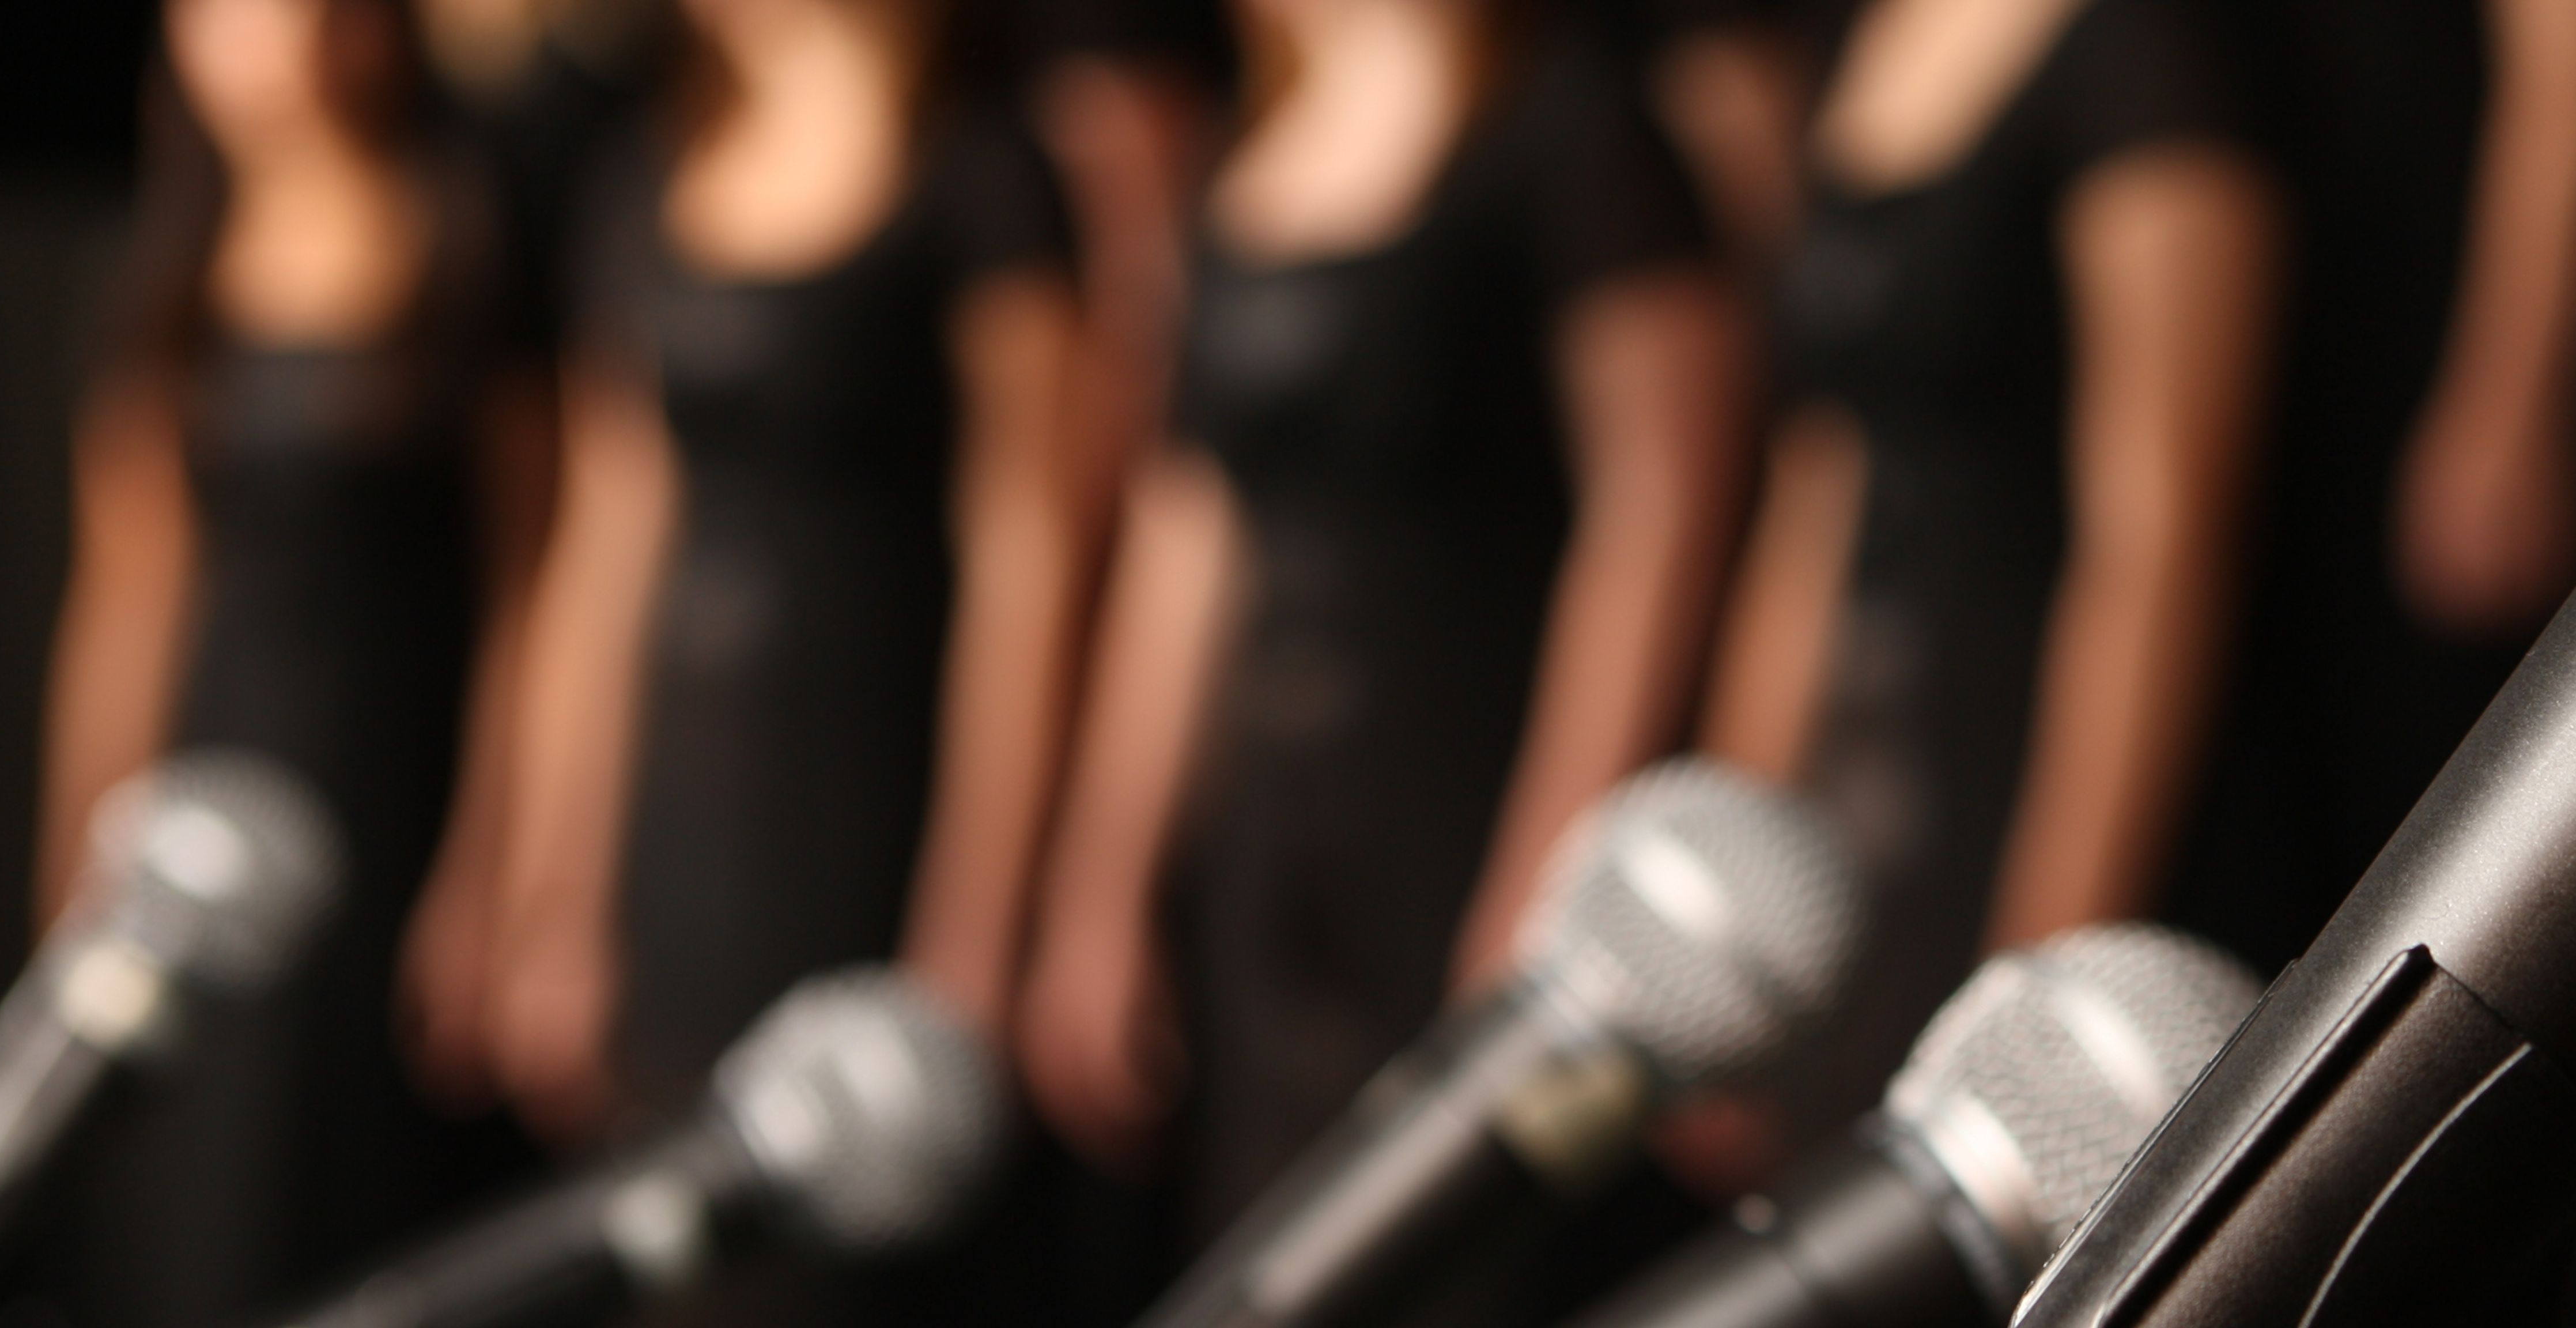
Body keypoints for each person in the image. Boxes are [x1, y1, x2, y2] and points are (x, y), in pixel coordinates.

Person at [1004, 0, 1757, 1253]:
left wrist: (1552, 881)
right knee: (1277, 1236)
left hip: (1472, 820)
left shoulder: (1570, 131)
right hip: (1275, 856)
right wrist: (1102, 884)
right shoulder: (1251, 145)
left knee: (1469, 1247)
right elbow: (1187, 545)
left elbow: (1663, 511)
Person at [464, 0, 1097, 1186]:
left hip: (870, 807)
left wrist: (974, 926)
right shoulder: (643, 171)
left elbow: (1032, 567)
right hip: (679, 839)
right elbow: (603, 564)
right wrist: (553, 893)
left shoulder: (983, 177)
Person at [25, 0, 546, 1318]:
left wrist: (499, 869)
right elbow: (128, 603)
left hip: (394, 786)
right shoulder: (165, 265)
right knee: (200, 1199)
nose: (289, 41)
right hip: (211, 790)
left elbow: (531, 592)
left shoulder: (476, 242)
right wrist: (82, 867)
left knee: (367, 1204)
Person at [1701, 0, 2280, 1166]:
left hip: (2032, 765)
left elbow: (2157, 539)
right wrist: (1733, 906)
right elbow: (1815, 488)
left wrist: (2039, 974)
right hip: (1861, 799)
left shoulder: (2144, 55)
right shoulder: (1855, 43)